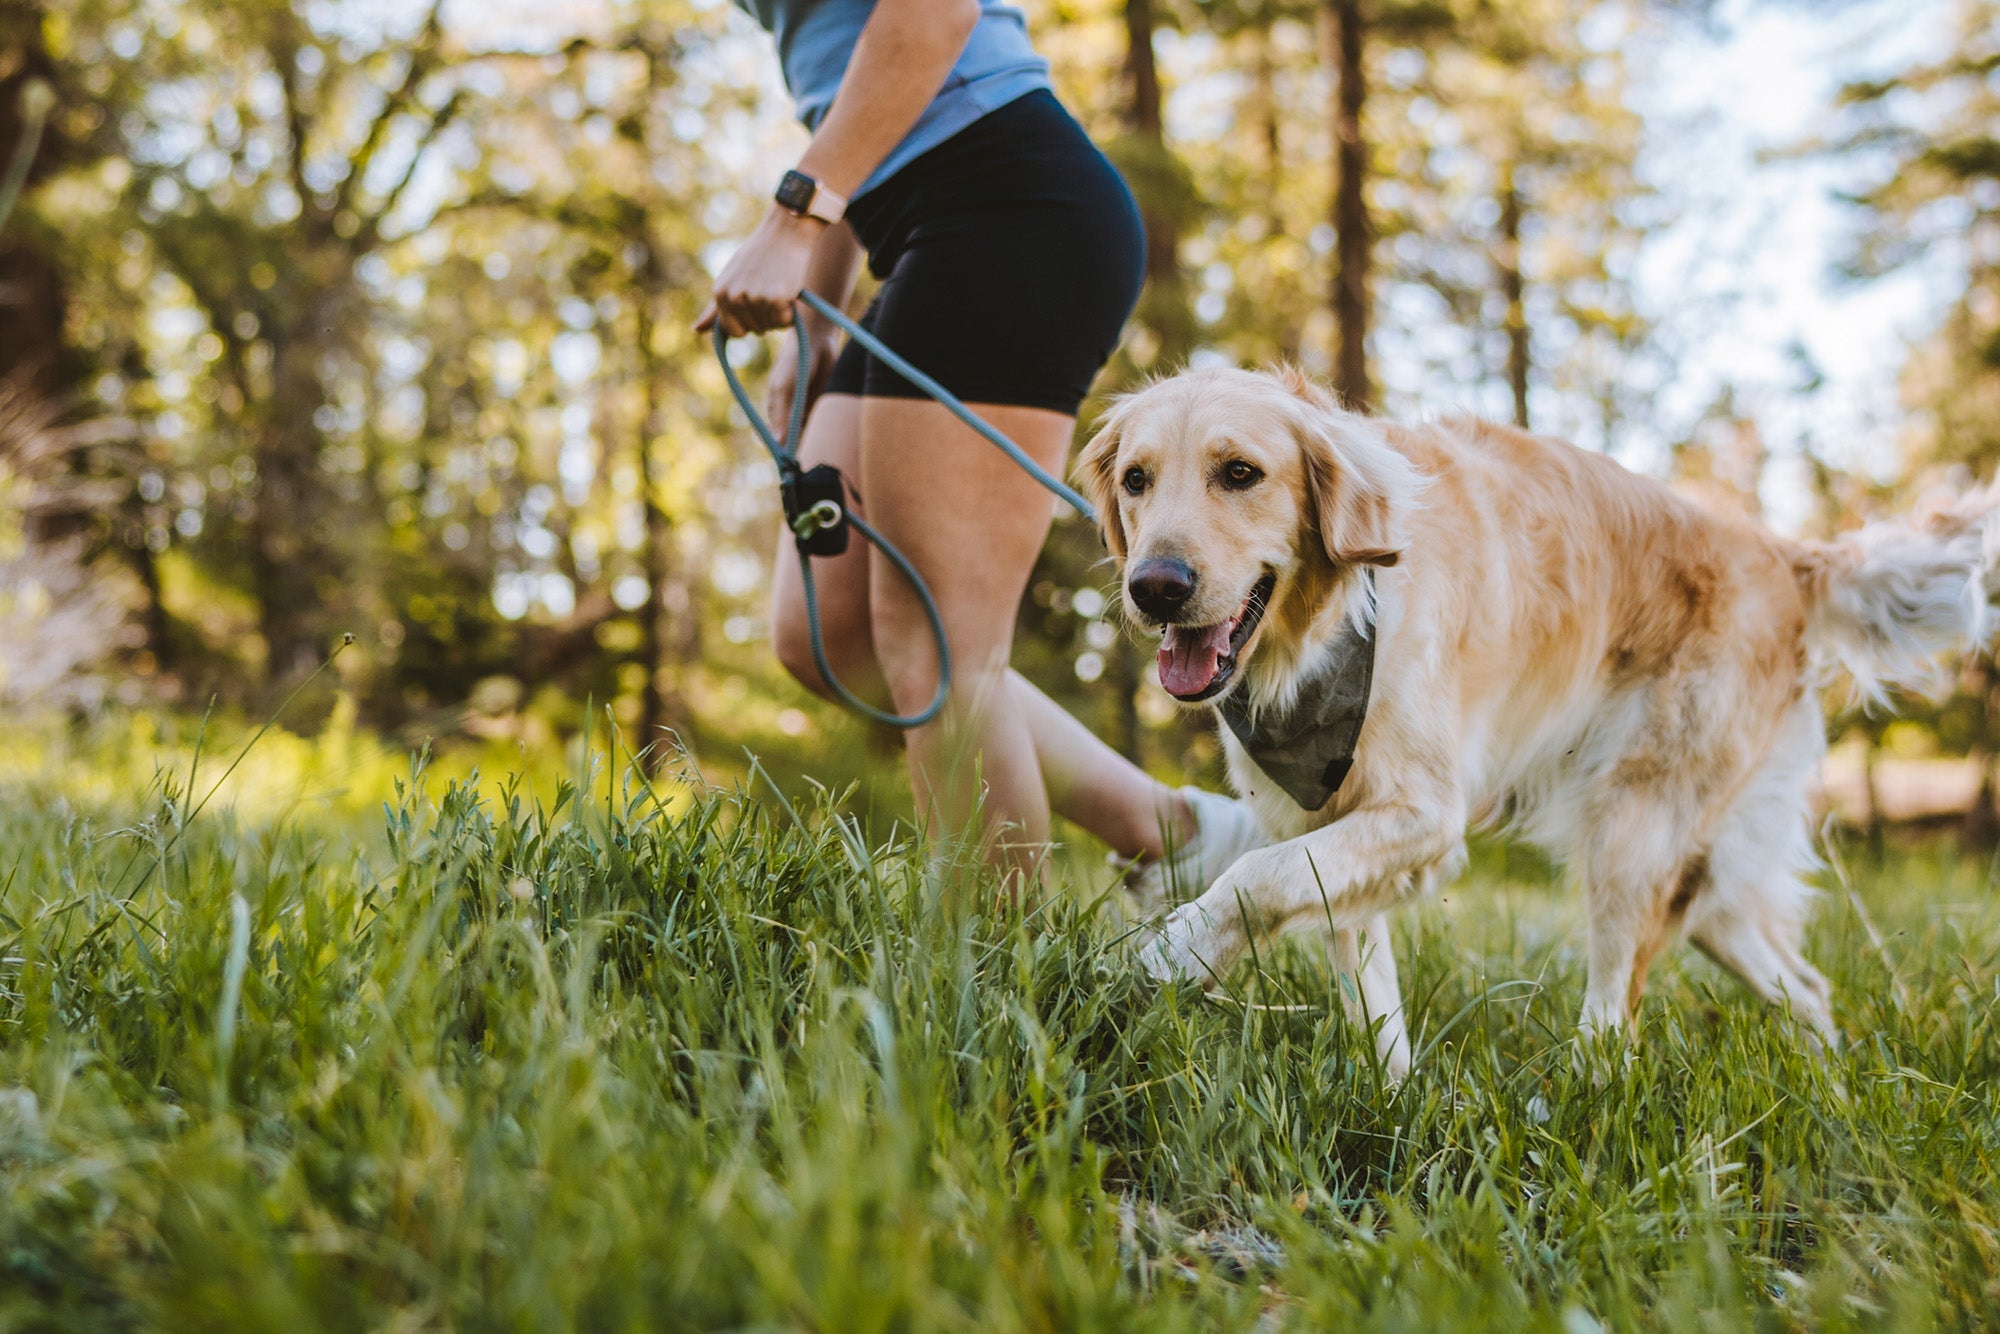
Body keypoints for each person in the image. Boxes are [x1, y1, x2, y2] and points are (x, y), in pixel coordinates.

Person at [699, 0, 1259, 893]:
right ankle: (1179, 833)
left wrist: (791, 220)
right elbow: (851, 85)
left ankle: (996, 995)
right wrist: (815, 316)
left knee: (936, 639)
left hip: (1005, 210)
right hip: (914, 232)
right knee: (829, 631)